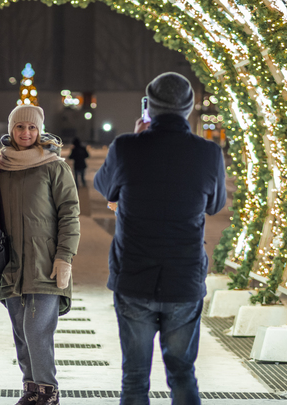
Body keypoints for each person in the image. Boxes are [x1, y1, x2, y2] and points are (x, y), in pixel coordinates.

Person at [94, 72, 226, 405]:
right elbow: (215, 204)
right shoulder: (208, 153)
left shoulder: (127, 147)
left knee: (135, 377)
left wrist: (138, 139)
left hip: (134, 277)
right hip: (184, 280)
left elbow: (105, 188)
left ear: (149, 107)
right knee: (182, 374)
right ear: (189, 108)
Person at [0, 105, 80, 405]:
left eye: (32, 128)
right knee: (20, 331)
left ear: (40, 130)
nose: (26, 133)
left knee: (36, 330)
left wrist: (65, 256)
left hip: (46, 263)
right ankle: (31, 389)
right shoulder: (0, 167)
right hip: (11, 263)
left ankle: (48, 391)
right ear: (11, 130)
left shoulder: (54, 166)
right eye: (20, 127)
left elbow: (70, 213)